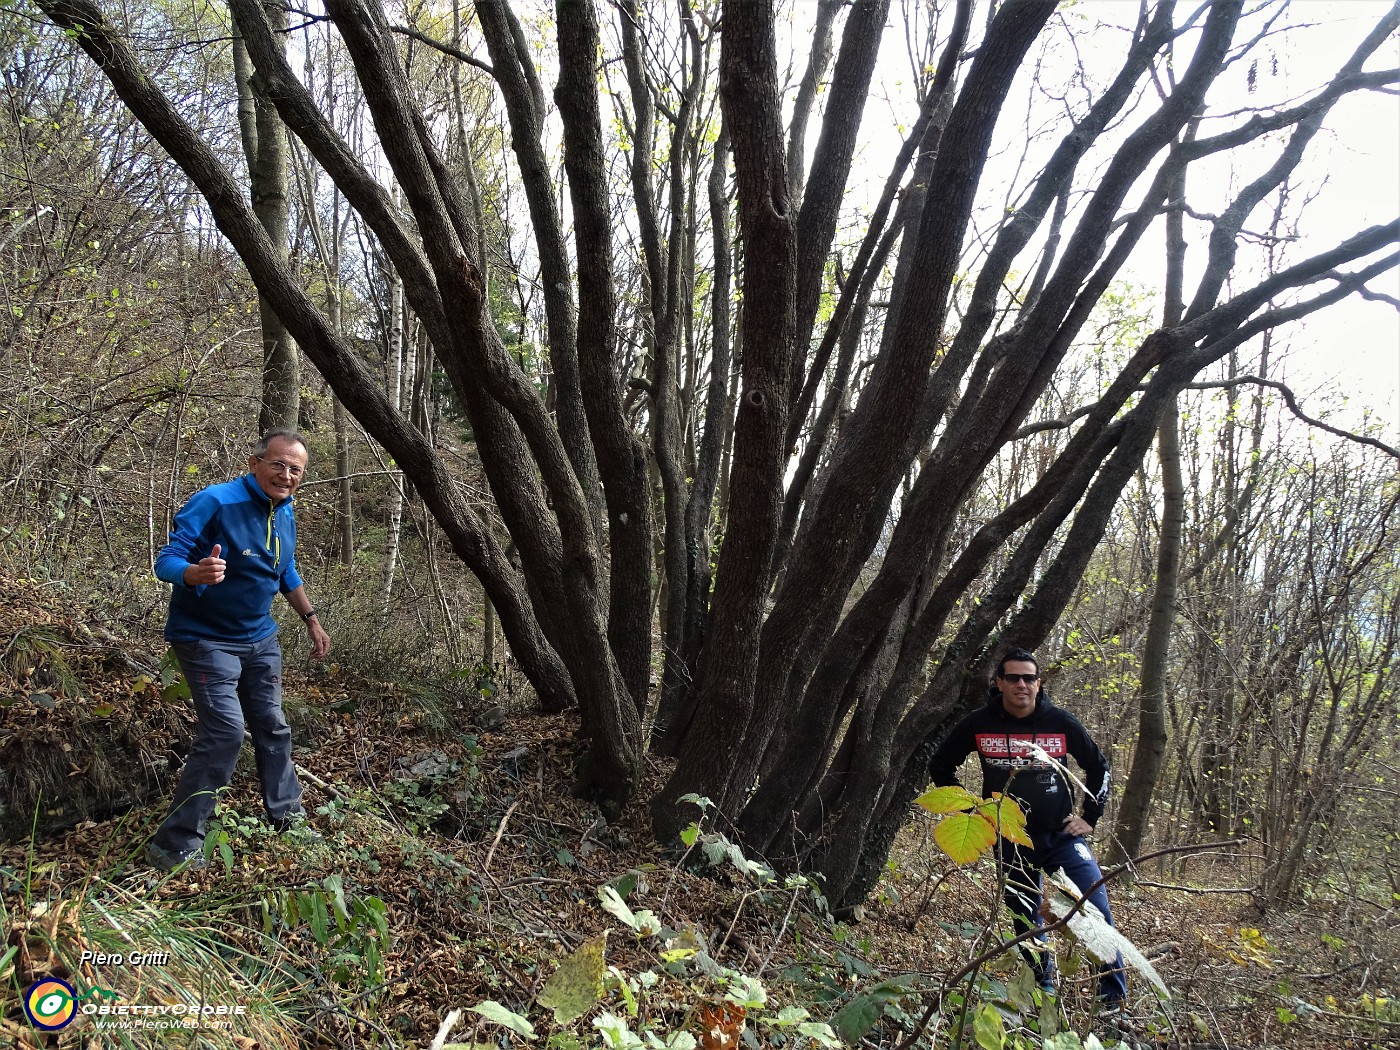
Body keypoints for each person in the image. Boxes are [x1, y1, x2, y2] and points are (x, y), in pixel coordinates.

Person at [145, 428, 330, 872]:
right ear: (255, 463)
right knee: (226, 732)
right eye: (278, 464)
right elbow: (165, 560)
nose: (286, 475)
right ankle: (175, 843)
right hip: (206, 638)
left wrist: (311, 619)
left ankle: (287, 816)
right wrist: (194, 572)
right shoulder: (215, 501)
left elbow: (284, 569)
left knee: (273, 724)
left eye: (295, 470)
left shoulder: (284, 511)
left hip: (261, 639)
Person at [928, 647, 1128, 1007]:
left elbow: (1099, 768)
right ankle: (1042, 989)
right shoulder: (978, 723)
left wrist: (1090, 817)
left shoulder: (1061, 723)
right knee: (1024, 915)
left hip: (1062, 835)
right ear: (1000, 683)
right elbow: (941, 766)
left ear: (1039, 684)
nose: (1022, 684)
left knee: (1095, 907)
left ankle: (1111, 1000)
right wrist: (975, 811)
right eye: (1014, 678)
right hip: (1010, 836)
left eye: (1029, 678)